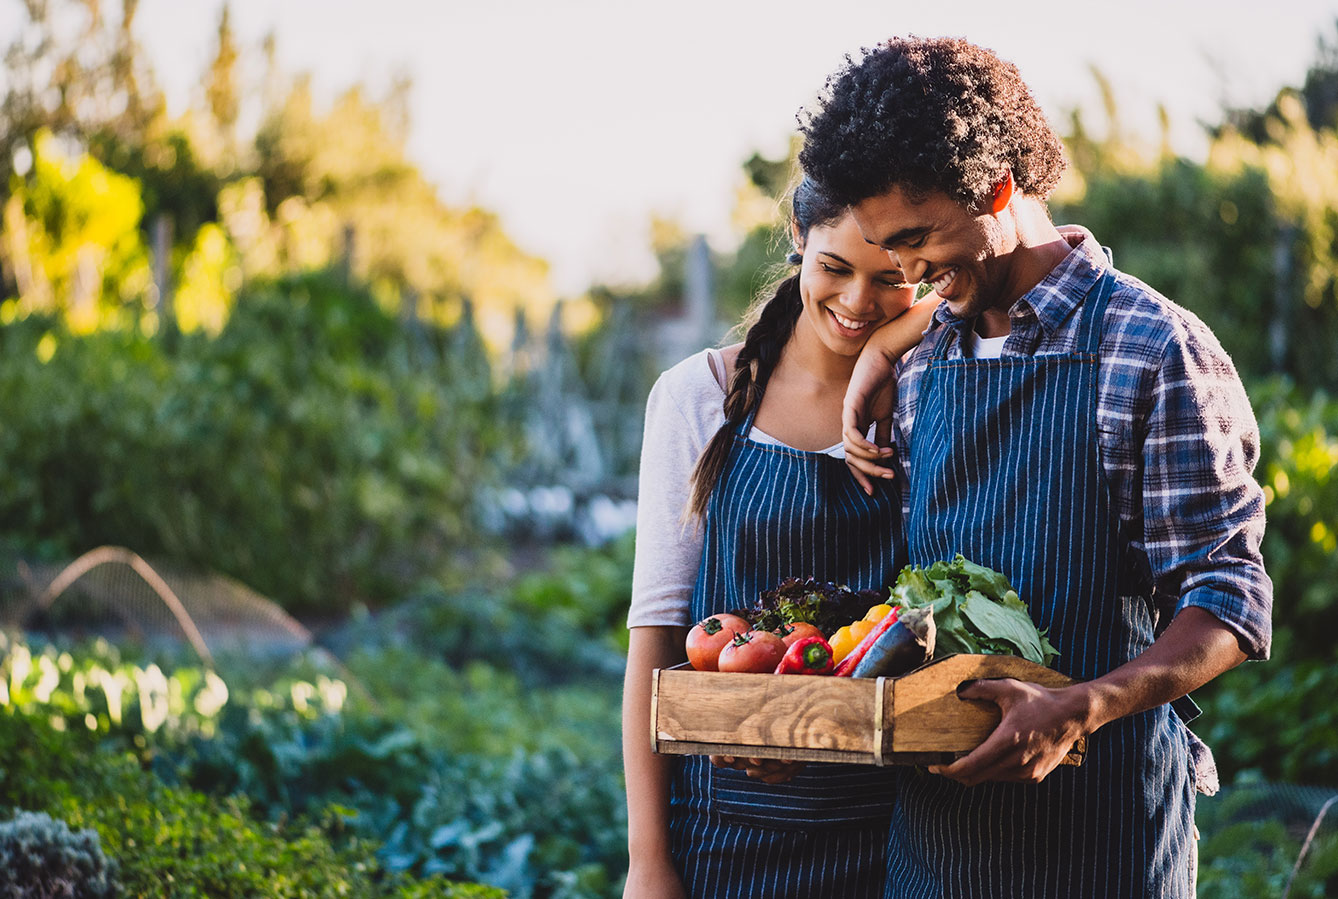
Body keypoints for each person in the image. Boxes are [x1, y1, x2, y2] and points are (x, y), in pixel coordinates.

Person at [797, 36, 1272, 898]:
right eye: (885, 246)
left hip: (1104, 841)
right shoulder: (919, 361)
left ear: (1001, 188)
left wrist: (1082, 704)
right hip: (934, 855)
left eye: (917, 239)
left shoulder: (1152, 348)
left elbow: (1229, 601)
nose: (906, 274)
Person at [621, 178, 939, 899]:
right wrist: (648, 860)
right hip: (729, 832)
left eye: (891, 279)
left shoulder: (929, 395)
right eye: (834, 268)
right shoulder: (697, 394)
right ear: (799, 236)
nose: (858, 302)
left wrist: (893, 345)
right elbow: (657, 637)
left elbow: (1046, 255)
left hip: (897, 833)